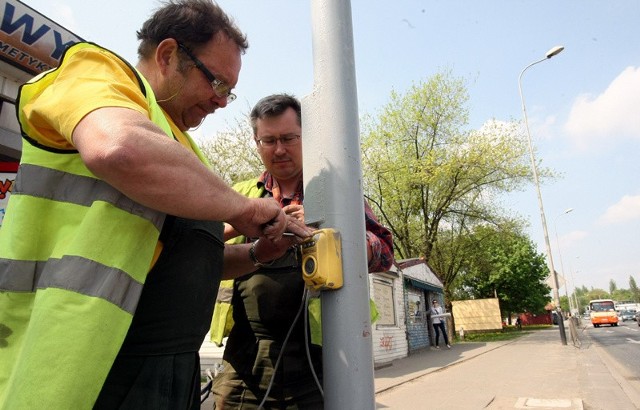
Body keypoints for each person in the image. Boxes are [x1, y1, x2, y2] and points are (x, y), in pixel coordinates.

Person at [0, 2, 310, 409]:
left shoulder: (181, 149)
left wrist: (257, 254)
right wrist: (243, 209)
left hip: (167, 367)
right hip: (90, 357)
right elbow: (117, 147)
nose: (221, 102)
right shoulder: (94, 71)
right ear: (167, 55)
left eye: (228, 92)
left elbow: (187, 262)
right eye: (217, 83)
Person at [210, 94, 394, 409]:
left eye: (288, 138)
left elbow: (384, 253)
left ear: (305, 137)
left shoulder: (337, 195)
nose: (279, 149)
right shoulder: (238, 195)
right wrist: (244, 221)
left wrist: (330, 231)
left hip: (322, 362)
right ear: (257, 143)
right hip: (244, 363)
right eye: (268, 140)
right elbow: (200, 248)